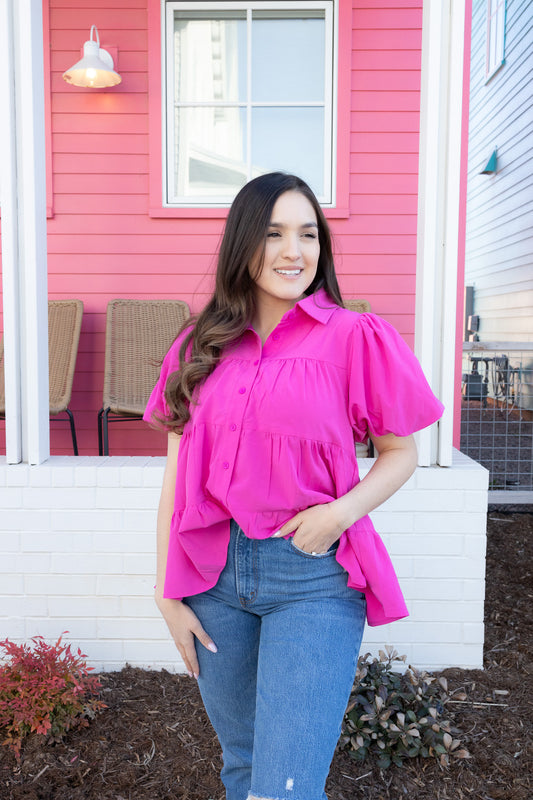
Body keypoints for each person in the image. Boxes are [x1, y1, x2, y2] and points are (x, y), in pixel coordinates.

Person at [144, 172, 444, 800]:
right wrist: (167, 590)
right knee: (244, 767)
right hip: (214, 579)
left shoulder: (355, 337)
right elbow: (177, 473)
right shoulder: (199, 346)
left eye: (308, 234)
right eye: (275, 233)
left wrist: (339, 514)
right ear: (243, 244)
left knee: (285, 787)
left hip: (312, 578)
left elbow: (400, 452)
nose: (293, 251)